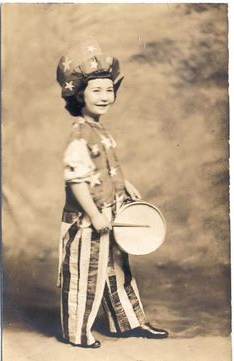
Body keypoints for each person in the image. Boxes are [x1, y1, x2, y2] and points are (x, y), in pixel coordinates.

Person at [56, 36, 168, 349]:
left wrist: (125, 186)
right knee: (85, 274)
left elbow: (107, 168)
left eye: (109, 89)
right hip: (87, 219)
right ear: (79, 95)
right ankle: (76, 332)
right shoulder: (79, 133)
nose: (105, 96)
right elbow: (76, 180)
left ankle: (127, 322)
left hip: (111, 210)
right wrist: (92, 215)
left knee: (117, 267)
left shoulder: (101, 130)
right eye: (96, 90)